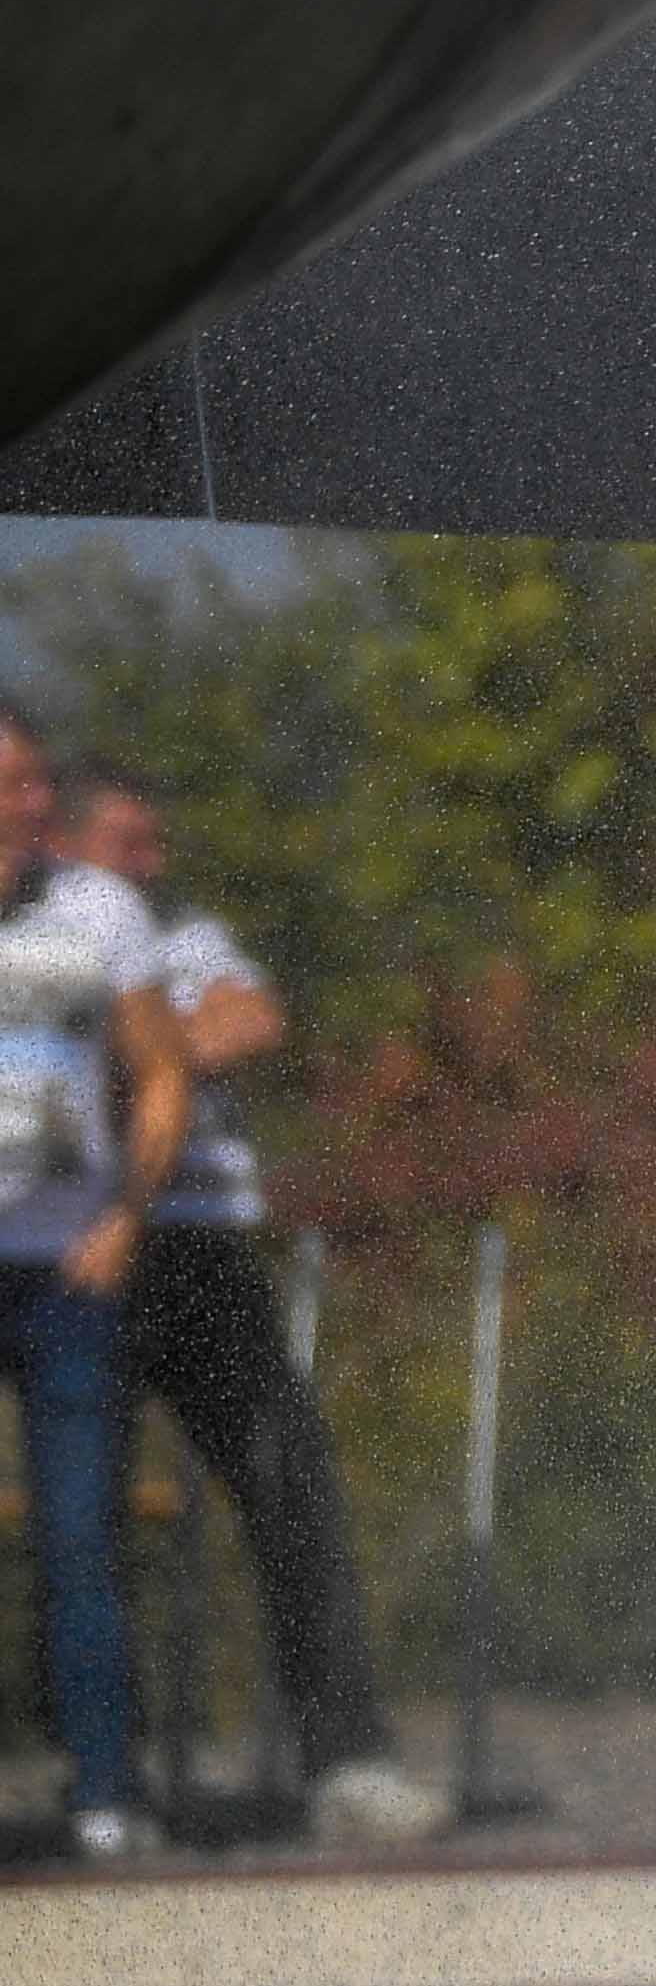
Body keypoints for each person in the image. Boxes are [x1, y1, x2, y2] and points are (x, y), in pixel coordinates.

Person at [67, 775, 442, 1843]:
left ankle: (348, 1759)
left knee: (288, 1476)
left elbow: (253, 1018)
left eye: (159, 842)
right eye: (128, 844)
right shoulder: (46, 930)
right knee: (76, 1512)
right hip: (73, 1244)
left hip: (195, 1240)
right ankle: (105, 1777)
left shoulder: (184, 929)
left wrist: (136, 1048)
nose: (153, 863)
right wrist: (163, 1044)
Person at [0, 714, 188, 1857]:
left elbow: (161, 1074)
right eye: (3, 786)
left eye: (30, 785)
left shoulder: (100, 913)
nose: (23, 806)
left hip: (65, 1267)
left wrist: (127, 1218)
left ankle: (106, 1793)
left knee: (80, 1537)